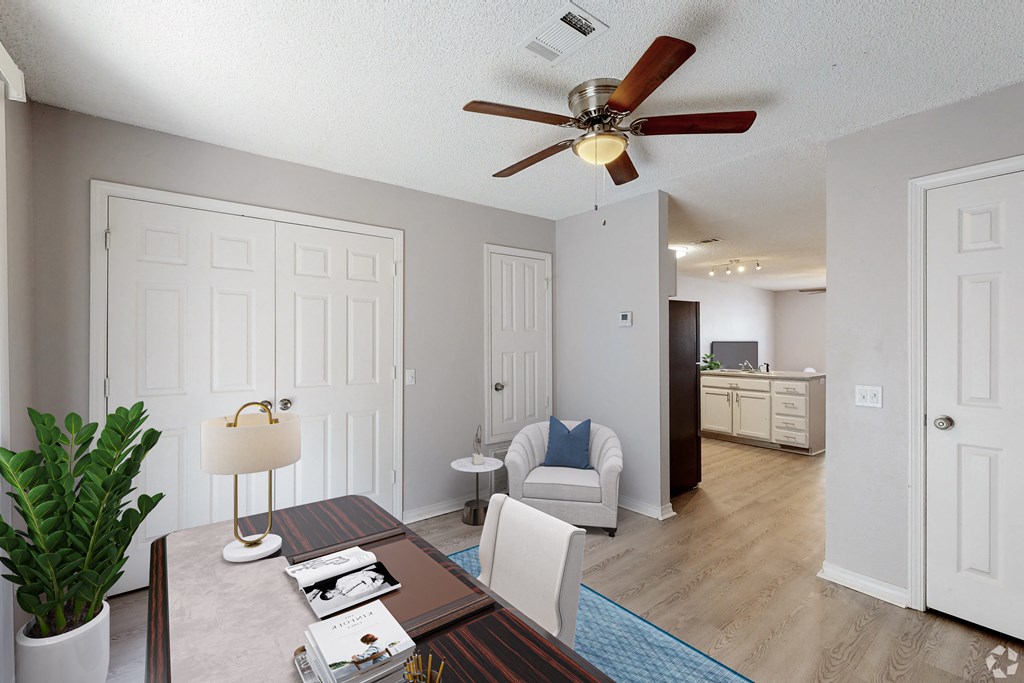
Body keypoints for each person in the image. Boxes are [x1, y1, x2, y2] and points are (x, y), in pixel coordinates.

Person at [316, 568, 385, 602]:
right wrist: (379, 581)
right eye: (333, 595)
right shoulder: (350, 594)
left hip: (374, 572)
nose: (335, 592)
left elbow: (361, 573)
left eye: (331, 592)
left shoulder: (340, 581)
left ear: (329, 590)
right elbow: (370, 588)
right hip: (380, 581)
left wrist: (375, 575)